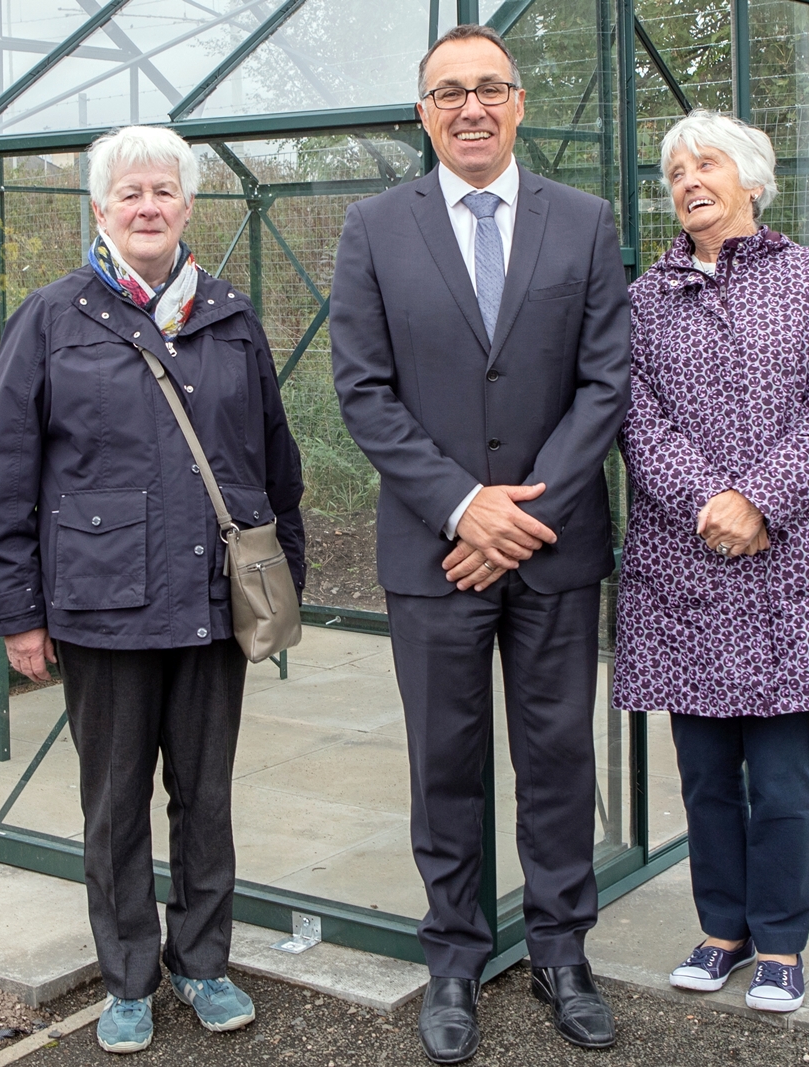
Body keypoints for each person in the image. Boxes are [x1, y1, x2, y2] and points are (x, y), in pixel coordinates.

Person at [0, 126, 306, 1054]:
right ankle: (127, 974)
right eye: (131, 194)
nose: (149, 206)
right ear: (101, 210)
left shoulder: (230, 315)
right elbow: (2, 475)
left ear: (189, 208)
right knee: (114, 799)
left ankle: (203, 962)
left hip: (208, 603)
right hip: (101, 603)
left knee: (206, 793)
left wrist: (284, 584)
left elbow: (276, 464)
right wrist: (17, 612)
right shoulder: (53, 316)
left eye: (165, 191)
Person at [331, 25, 630, 1064]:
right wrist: (464, 507)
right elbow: (362, 392)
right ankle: (453, 956)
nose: (469, 107)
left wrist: (516, 517)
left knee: (555, 756)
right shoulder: (374, 229)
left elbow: (605, 382)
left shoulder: (585, 223)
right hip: (433, 550)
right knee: (444, 760)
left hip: (552, 546)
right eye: (447, 92)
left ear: (517, 103)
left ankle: (561, 952)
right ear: (422, 112)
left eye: (488, 88)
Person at [615, 110, 809, 1014]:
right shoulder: (644, 298)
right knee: (702, 773)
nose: (690, 179)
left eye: (708, 163)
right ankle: (720, 929)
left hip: (789, 562)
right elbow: (635, 417)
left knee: (779, 776)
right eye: (676, 169)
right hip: (685, 566)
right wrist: (709, 504)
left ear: (753, 179)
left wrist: (759, 501)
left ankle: (779, 940)